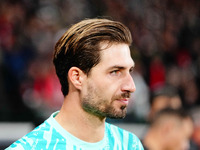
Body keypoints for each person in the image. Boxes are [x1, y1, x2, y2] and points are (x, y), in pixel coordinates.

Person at [6, 18, 144, 149]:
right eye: (115, 72)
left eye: (130, 71)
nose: (131, 86)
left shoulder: (130, 144)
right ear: (77, 77)